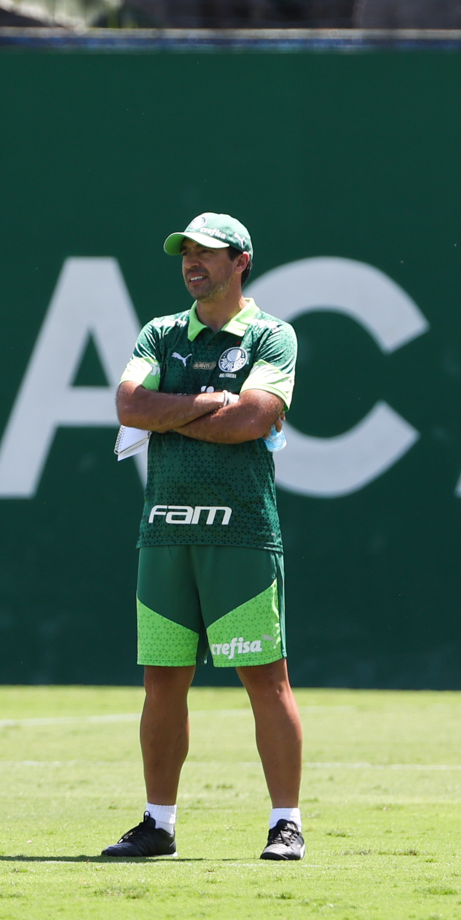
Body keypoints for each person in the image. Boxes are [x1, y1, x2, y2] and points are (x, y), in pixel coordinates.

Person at [101, 213, 305, 861]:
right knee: (162, 682)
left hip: (242, 532)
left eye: (208, 253)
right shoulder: (161, 334)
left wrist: (180, 412)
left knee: (264, 679)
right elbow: (131, 407)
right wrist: (207, 404)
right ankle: (158, 823)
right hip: (164, 533)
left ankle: (286, 823)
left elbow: (252, 420)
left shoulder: (272, 335)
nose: (193, 262)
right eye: (186, 252)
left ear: (241, 261)